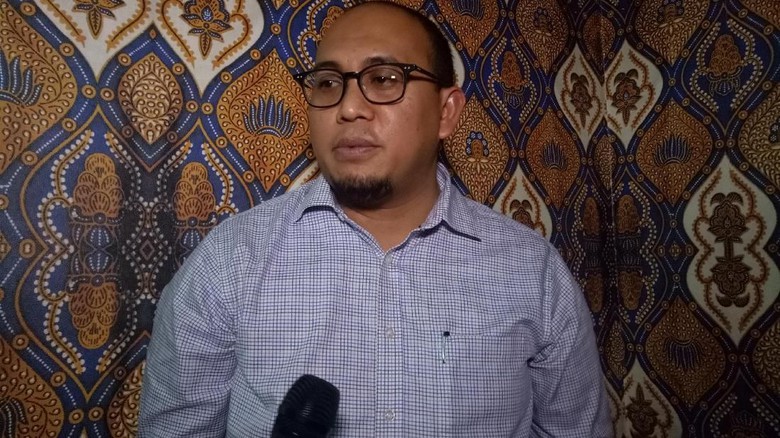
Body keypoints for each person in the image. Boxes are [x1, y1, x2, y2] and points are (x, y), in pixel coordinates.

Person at [138, 2, 612, 436]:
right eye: (328, 83)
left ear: (446, 112)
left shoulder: (532, 272)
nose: (347, 108)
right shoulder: (230, 261)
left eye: (385, 79)